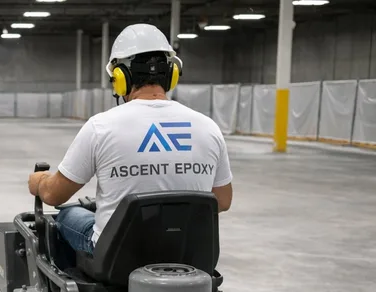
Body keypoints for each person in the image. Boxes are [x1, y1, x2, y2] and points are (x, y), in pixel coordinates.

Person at [27, 23, 233, 255]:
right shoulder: (209, 128)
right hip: (189, 252)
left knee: (65, 215)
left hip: (118, 257)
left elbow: (54, 195)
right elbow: (222, 201)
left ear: (120, 77)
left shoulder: (101, 127)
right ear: (172, 74)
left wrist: (40, 182)